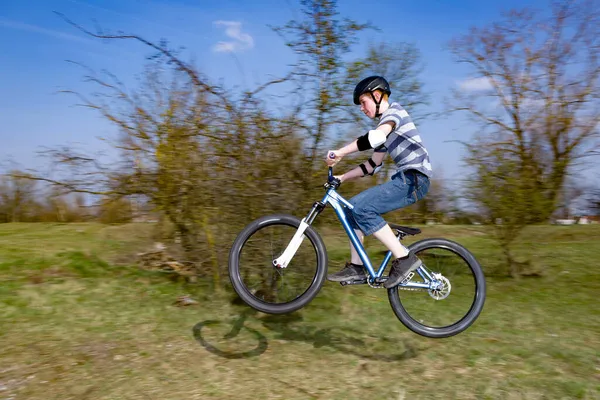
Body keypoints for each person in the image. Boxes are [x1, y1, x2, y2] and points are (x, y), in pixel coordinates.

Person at [325, 75, 432, 288]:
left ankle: (404, 258)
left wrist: (341, 153)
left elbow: (374, 137)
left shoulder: (394, 113)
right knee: (351, 211)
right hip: (407, 179)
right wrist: (342, 177)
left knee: (361, 208)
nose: (361, 109)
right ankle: (356, 268)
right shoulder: (385, 128)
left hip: (414, 178)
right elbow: (372, 165)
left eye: (363, 103)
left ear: (376, 96)